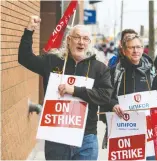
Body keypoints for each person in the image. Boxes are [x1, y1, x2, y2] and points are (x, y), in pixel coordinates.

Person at [18, 15, 113, 160]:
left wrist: (74, 90)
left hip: (86, 139)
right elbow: (25, 58)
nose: (81, 42)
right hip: (56, 138)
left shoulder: (99, 68)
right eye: (77, 37)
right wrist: (29, 30)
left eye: (85, 39)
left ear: (89, 43)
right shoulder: (52, 61)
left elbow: (105, 96)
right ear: (68, 40)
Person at [100, 30, 157, 159]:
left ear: (142, 49)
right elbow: (104, 95)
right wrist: (113, 105)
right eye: (131, 47)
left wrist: (152, 107)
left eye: (138, 47)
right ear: (124, 51)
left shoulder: (151, 72)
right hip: (123, 130)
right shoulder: (114, 72)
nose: (135, 51)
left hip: (148, 131)